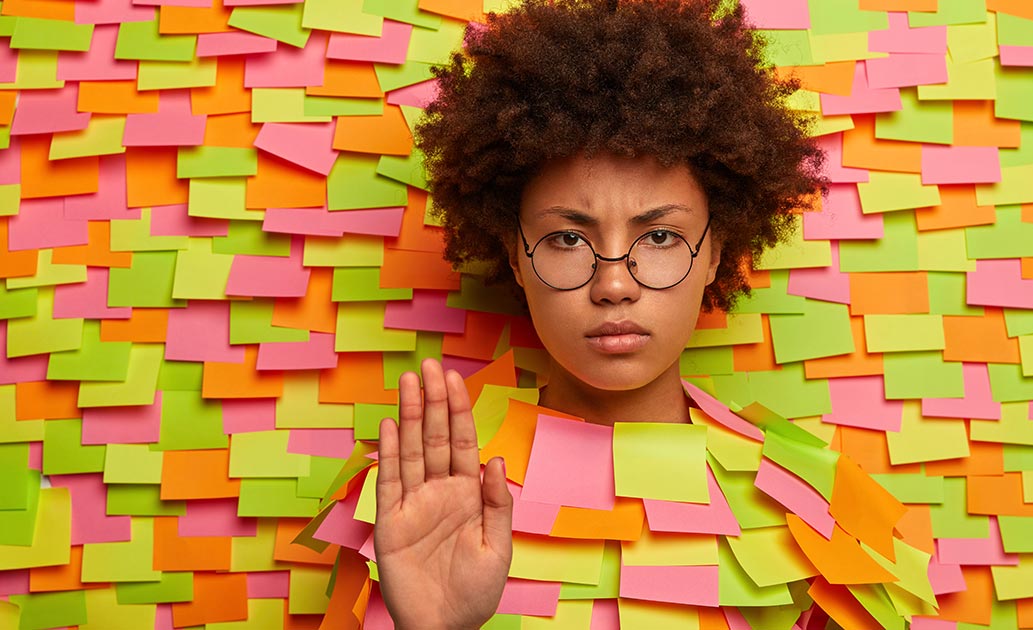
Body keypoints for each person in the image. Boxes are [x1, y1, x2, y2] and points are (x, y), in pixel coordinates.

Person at [312, 0, 929, 628]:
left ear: (716, 250)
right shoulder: (405, 503)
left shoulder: (811, 512)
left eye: (659, 238)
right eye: (568, 239)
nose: (613, 285)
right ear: (515, 257)